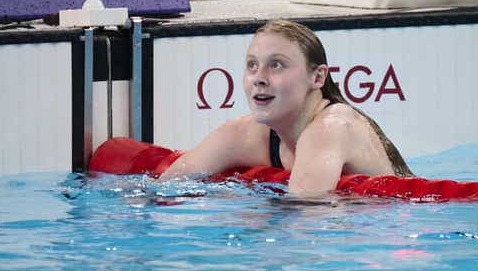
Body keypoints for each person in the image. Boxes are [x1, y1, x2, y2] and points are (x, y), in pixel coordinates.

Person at [159, 20, 412, 197]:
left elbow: (305, 230)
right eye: (252, 65)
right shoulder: (246, 134)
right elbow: (161, 189)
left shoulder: (332, 127)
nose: (259, 77)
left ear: (317, 78)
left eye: (277, 65)